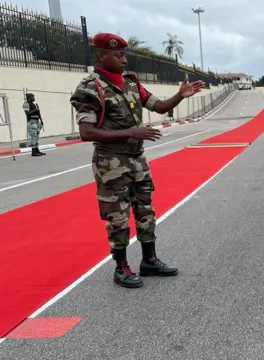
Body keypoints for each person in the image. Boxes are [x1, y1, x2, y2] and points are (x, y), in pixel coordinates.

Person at [69, 33, 205, 288]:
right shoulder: (89, 89)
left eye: (124, 54)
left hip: (137, 160)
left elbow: (160, 107)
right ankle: (121, 267)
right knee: (117, 218)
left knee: (145, 211)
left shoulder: (131, 83)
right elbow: (86, 133)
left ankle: (149, 260)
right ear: (101, 55)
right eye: (118, 55)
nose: (124, 60)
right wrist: (131, 132)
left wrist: (180, 95)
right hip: (110, 163)